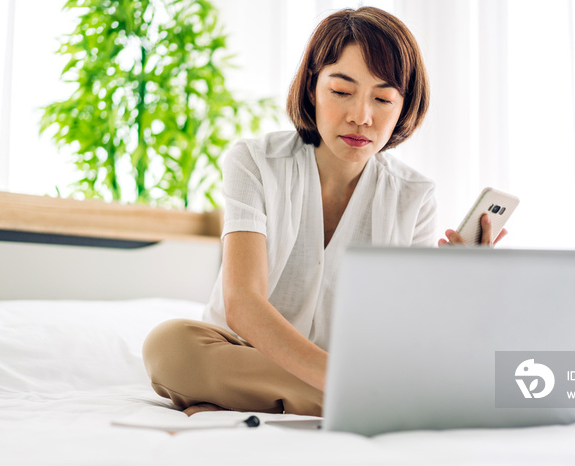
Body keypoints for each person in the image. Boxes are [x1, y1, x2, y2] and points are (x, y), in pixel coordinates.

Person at [142, 6, 506, 417]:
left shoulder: (414, 196)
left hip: (353, 365)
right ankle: (361, 401)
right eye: (341, 91)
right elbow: (242, 304)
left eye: (383, 98)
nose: (361, 117)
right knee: (170, 346)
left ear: (403, 108)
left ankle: (248, 398)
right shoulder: (254, 162)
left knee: (434, 366)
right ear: (312, 88)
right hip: (245, 350)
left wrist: (458, 285)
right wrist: (343, 381)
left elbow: (406, 336)